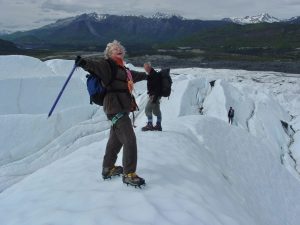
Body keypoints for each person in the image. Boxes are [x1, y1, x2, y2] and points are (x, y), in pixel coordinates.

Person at [75, 40, 147, 187]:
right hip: (115, 109)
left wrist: (149, 75)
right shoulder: (107, 65)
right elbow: (95, 65)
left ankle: (108, 168)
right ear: (109, 54)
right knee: (130, 140)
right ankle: (129, 174)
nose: (118, 49)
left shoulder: (124, 70)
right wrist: (83, 63)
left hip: (121, 108)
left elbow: (135, 75)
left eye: (120, 48)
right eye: (114, 49)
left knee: (116, 140)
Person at [142, 62, 163, 131]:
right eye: (145, 68)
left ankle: (150, 125)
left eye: (147, 67)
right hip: (155, 95)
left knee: (147, 109)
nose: (146, 69)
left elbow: (158, 88)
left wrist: (154, 98)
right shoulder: (152, 74)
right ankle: (158, 125)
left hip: (154, 96)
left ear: (150, 67)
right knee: (156, 111)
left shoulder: (154, 75)